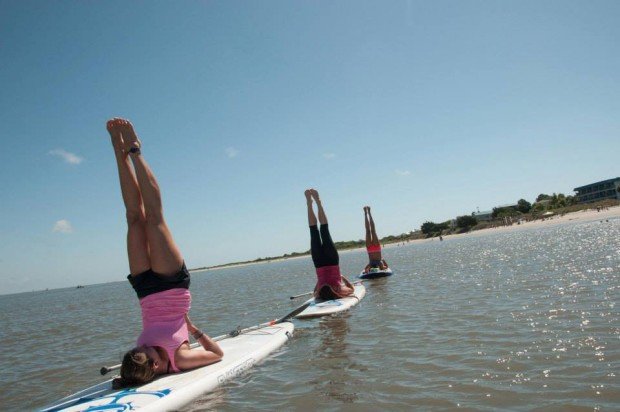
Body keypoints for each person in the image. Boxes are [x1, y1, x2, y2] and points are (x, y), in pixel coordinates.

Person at [106, 118, 223, 389]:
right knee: (154, 219)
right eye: (147, 353)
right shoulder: (179, 359)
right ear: (156, 366)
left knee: (134, 218)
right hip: (172, 286)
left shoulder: (138, 361)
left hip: (145, 291)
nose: (145, 347)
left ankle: (117, 153)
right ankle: (135, 151)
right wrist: (195, 331)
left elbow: (132, 371)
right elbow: (217, 355)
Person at [305, 189, 355, 299]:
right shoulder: (318, 294)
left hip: (332, 261)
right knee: (314, 231)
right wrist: (319, 282)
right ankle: (310, 203)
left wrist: (342, 277)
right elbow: (315, 291)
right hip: (319, 264)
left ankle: (316, 203)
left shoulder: (340, 290)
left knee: (324, 230)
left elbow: (352, 289)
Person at [363, 206, 389, 273]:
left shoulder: (371, 264)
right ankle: (369, 213)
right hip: (376, 247)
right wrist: (383, 260)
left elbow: (365, 270)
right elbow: (387, 267)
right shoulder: (381, 264)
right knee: (373, 231)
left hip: (369, 249)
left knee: (368, 231)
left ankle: (366, 213)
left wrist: (367, 270)